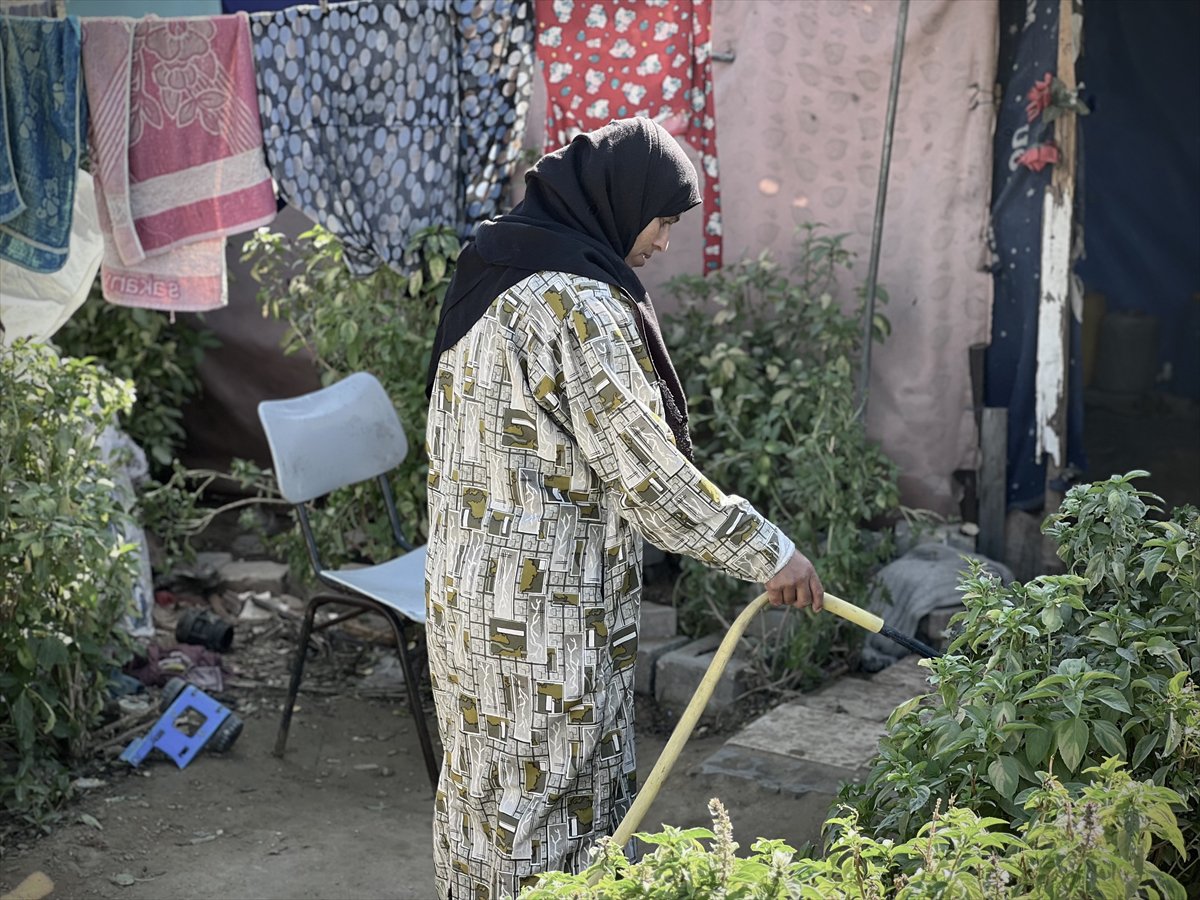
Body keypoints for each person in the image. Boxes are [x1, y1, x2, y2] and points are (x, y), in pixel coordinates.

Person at [423, 117, 824, 899]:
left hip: (468, 597)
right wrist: (771, 552)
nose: (665, 241)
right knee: (554, 819)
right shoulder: (579, 305)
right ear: (619, 201)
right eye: (665, 218)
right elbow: (652, 481)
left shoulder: (497, 268)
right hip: (544, 620)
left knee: (485, 800)